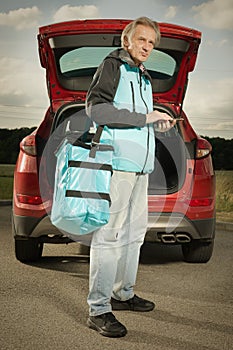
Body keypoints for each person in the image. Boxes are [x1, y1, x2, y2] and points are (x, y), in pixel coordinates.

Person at [85, 16, 176, 337]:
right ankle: (98, 308)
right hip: (116, 164)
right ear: (127, 41)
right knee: (108, 235)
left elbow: (139, 120)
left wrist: (157, 121)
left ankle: (122, 293)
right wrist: (144, 116)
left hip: (141, 167)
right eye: (142, 40)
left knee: (135, 234)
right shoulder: (113, 66)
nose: (147, 47)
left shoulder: (144, 77)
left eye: (152, 42)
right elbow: (96, 109)